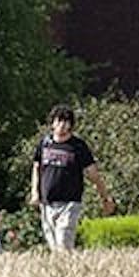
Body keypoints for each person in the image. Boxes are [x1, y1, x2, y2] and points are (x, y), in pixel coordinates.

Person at [30, 104, 115, 250]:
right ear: (52, 123)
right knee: (54, 246)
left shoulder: (78, 146)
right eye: (59, 120)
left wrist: (105, 197)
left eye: (66, 121)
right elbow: (37, 168)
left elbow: (93, 174)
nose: (62, 125)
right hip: (47, 203)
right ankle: (61, 272)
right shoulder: (44, 144)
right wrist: (34, 193)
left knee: (64, 242)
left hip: (70, 203)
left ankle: (68, 269)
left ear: (71, 125)